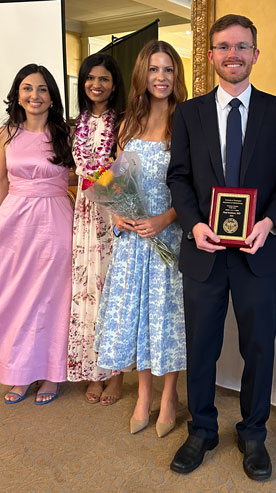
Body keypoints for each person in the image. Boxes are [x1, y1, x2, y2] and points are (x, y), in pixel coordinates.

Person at [167, 14, 276, 481]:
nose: (233, 54)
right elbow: (178, 177)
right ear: (210, 55)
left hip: (257, 251)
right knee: (201, 346)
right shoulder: (189, 113)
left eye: (242, 46)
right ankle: (202, 429)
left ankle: (253, 432)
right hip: (203, 251)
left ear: (255, 54)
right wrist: (193, 224)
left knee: (258, 347)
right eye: (224, 46)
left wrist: (269, 222)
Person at [93, 40, 187, 437]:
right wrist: (117, 212)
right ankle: (144, 394)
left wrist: (166, 218)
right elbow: (113, 178)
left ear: (176, 75)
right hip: (132, 241)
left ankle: (170, 395)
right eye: (153, 69)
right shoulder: (128, 123)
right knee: (141, 318)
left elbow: (196, 186)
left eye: (167, 69)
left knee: (167, 318)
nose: (160, 77)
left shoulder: (186, 121)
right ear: (142, 75)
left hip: (168, 236)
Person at [0, 64, 74, 404]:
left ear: (52, 96)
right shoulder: (6, 133)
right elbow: (2, 180)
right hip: (13, 223)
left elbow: (86, 175)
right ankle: (20, 373)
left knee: (51, 300)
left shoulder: (66, 134)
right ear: (18, 94)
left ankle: (51, 373)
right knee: (14, 298)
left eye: (43, 89)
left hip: (54, 222)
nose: (35, 95)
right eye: (28, 88)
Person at [67, 53, 126, 405]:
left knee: (111, 289)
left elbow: (126, 168)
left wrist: (113, 201)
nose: (96, 84)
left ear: (114, 84)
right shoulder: (76, 123)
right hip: (85, 214)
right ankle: (93, 369)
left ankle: (116, 374)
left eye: (103, 78)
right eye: (90, 78)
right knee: (87, 289)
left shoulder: (124, 122)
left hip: (113, 210)